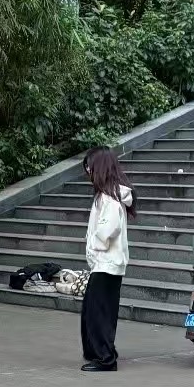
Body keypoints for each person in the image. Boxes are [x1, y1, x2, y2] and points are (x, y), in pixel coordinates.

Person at [80, 146, 135, 372]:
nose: (88, 172)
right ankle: (100, 353)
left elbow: (108, 228)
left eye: (89, 167)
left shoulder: (109, 197)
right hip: (106, 263)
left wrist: (96, 243)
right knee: (95, 312)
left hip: (107, 263)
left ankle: (106, 358)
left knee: (99, 313)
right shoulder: (109, 195)